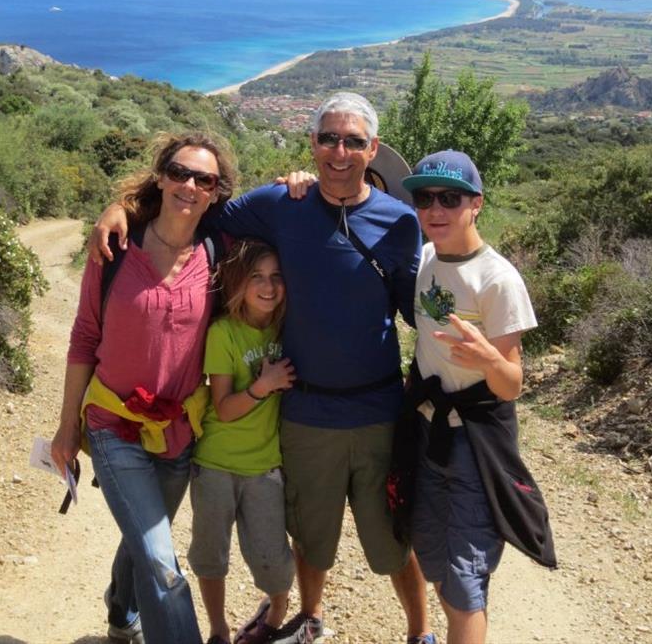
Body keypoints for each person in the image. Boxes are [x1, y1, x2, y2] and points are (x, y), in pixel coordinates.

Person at [90, 92, 436, 644]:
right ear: (312, 144)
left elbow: (415, 310)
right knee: (310, 535)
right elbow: (192, 206)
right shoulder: (282, 204)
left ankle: (420, 633)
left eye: (352, 141)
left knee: (391, 539)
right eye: (328, 138)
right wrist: (124, 208)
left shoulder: (399, 222)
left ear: (373, 149)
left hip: (376, 408)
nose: (338, 151)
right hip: (303, 410)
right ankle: (307, 618)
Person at [52, 132, 238, 644]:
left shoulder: (218, 252)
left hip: (178, 430)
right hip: (114, 427)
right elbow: (84, 338)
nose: (189, 185)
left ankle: (120, 611)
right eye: (179, 172)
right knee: (162, 561)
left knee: (144, 537)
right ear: (160, 176)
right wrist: (67, 428)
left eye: (204, 179)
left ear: (217, 192)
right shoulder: (114, 248)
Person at [400, 150, 556, 644]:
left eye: (450, 198)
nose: (435, 209)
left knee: (465, 578)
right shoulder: (425, 258)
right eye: (425, 198)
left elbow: (512, 385)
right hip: (425, 431)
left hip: (473, 441)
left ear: (477, 204)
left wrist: (490, 359)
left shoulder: (498, 279)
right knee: (431, 554)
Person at [189, 238, 296, 644]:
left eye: (275, 277)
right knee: (211, 554)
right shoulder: (223, 333)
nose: (268, 287)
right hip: (216, 462)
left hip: (265, 466)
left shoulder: (287, 328)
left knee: (273, 560)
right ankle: (217, 629)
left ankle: (274, 617)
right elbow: (225, 406)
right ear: (239, 283)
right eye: (257, 278)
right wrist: (263, 386)